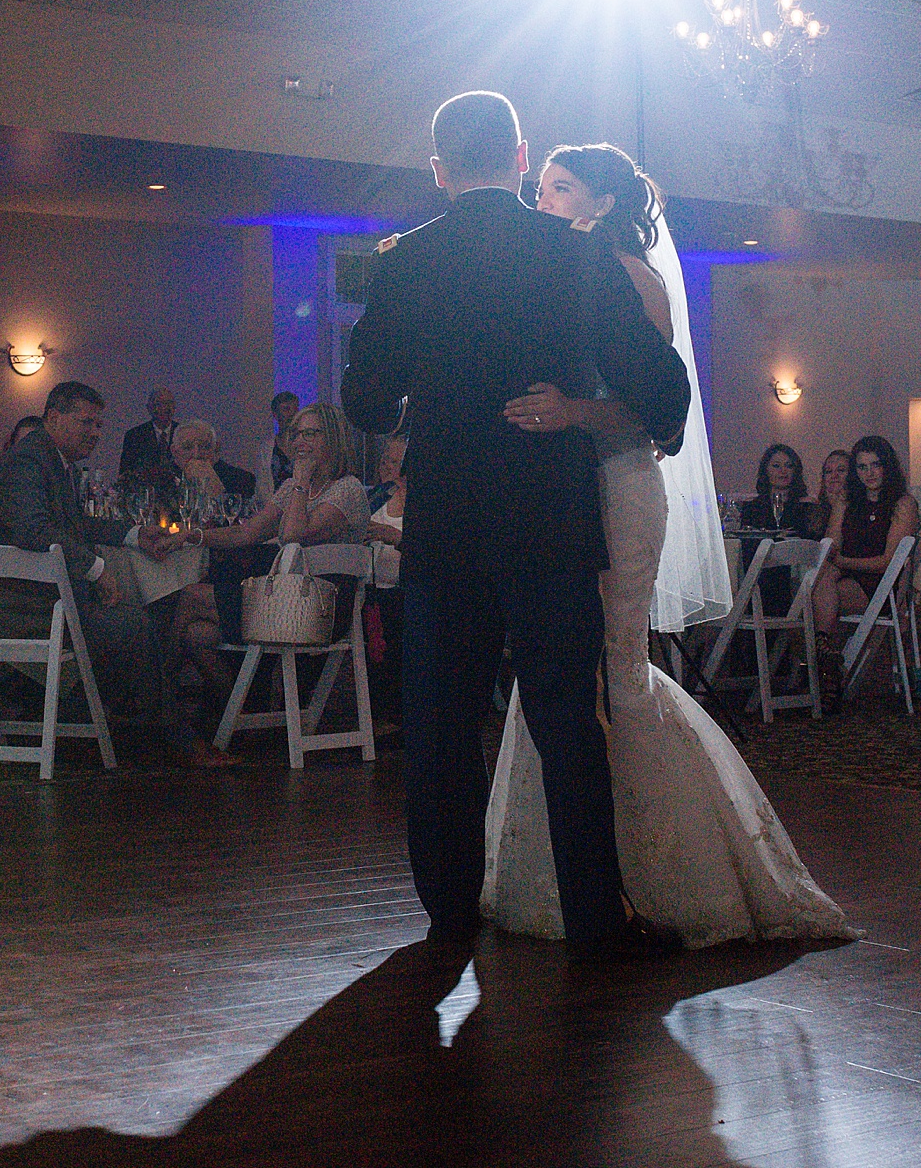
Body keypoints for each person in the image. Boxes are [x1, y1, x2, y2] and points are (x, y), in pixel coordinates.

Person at [341, 93, 693, 959]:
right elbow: (664, 390)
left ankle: (449, 915)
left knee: (441, 728)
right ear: (523, 156)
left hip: (447, 528)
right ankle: (594, 921)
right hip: (547, 524)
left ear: (439, 169)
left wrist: (418, 400)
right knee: (568, 720)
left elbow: (364, 399)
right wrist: (578, 409)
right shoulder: (568, 254)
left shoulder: (409, 262)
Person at [482, 141, 854, 950]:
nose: (541, 199)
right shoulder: (554, 283)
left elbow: (658, 414)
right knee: (561, 666)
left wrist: (576, 412)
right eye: (538, 187)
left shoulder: (635, 284)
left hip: (621, 486)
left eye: (560, 187)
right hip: (563, 500)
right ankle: (566, 876)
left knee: (614, 669)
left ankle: (658, 873)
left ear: (601, 204)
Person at [0, 380, 237, 767]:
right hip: (19, 612)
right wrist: (97, 570)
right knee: (136, 625)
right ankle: (165, 736)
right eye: (87, 423)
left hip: (40, 604)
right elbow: (35, 531)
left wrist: (133, 535)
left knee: (138, 620)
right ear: (53, 417)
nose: (96, 433)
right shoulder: (28, 461)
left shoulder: (51, 460)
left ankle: (130, 723)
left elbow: (76, 524)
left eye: (99, 425)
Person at [178, 402, 370, 678]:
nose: (299, 442)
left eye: (310, 434)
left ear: (332, 439)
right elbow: (244, 533)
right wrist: (192, 536)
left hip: (318, 608)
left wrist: (301, 481)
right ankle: (245, 712)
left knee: (192, 596)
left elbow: (293, 536)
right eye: (296, 434)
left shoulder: (346, 489)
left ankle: (160, 693)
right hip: (282, 600)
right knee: (198, 636)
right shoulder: (293, 489)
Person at [814, 434, 920, 705]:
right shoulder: (847, 501)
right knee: (818, 584)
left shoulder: (902, 504)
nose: (869, 473)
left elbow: (887, 562)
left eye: (875, 465)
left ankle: (819, 652)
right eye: (862, 467)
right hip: (845, 578)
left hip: (881, 585)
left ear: (887, 466)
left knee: (806, 600)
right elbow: (832, 543)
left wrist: (841, 562)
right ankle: (825, 653)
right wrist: (836, 557)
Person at [738, 444, 813, 617]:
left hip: (791, 572)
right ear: (766, 470)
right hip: (756, 568)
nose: (783, 471)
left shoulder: (806, 506)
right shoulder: (751, 507)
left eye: (789, 466)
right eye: (776, 466)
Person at [364, 435, 407, 734]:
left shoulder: (428, 502)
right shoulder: (375, 497)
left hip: (407, 588)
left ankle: (393, 717)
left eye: (394, 462)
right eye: (384, 461)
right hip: (371, 587)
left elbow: (434, 549)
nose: (386, 468)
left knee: (395, 614)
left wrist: (390, 536)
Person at [135, 420, 256, 501]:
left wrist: (214, 489)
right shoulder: (157, 481)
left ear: (216, 449)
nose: (196, 454)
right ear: (174, 451)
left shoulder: (241, 480)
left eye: (204, 446)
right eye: (187, 447)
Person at [117, 388, 179, 479]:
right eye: (158, 404)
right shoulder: (135, 435)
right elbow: (125, 473)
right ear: (149, 408)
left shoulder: (183, 434)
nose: (164, 408)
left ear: (174, 408)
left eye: (168, 403)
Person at [253, 391, 300, 503]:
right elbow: (262, 488)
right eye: (286, 409)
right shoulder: (266, 450)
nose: (292, 414)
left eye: (295, 409)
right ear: (275, 414)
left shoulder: (304, 445)